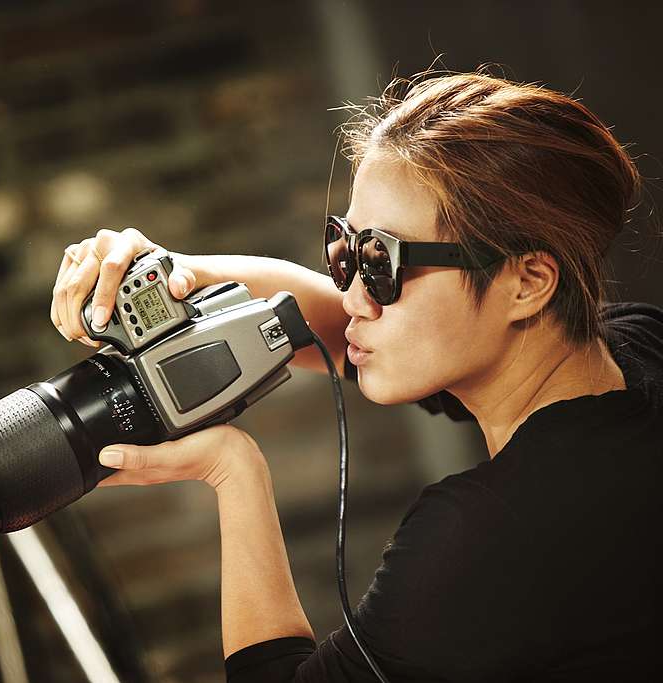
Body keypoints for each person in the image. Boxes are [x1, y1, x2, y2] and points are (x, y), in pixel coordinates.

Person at [49, 72, 662, 682]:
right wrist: (174, 274)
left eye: (382, 265)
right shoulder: (639, 352)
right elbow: (325, 326)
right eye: (346, 251)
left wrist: (232, 473)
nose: (351, 299)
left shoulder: (492, 536)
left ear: (527, 281)